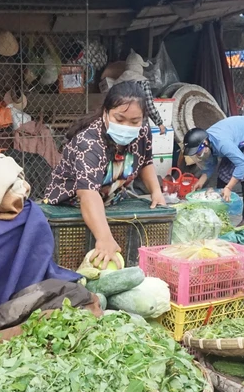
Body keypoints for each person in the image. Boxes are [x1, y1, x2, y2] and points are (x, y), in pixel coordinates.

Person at [43, 81, 166, 269]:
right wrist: (105, 239)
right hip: (71, 204)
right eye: (120, 119)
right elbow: (87, 193)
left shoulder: (142, 132)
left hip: (111, 199)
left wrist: (156, 192)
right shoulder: (89, 142)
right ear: (105, 114)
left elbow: (145, 161)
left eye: (134, 121)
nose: (128, 126)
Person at [183, 115, 244, 226]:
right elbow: (210, 164)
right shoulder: (207, 142)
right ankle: (221, 213)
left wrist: (228, 187)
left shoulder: (222, 143)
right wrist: (201, 181)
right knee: (223, 173)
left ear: (205, 143)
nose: (198, 155)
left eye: (198, 152)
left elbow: (242, 164)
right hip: (237, 139)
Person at [115, 51, 167, 135]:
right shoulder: (143, 82)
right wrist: (159, 123)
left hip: (120, 127)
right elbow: (149, 106)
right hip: (138, 127)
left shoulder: (117, 83)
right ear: (139, 67)